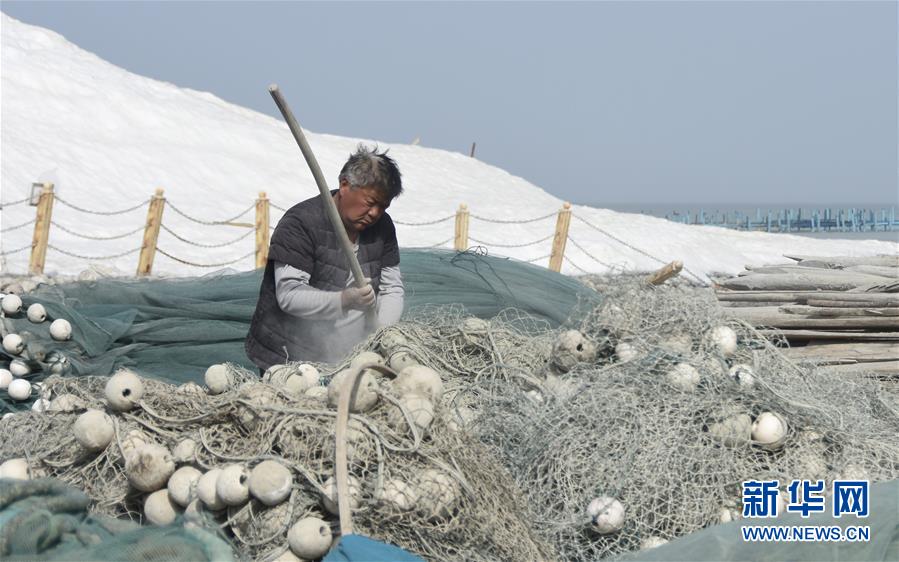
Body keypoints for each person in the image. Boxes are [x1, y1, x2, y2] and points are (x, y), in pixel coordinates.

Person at [245, 145, 405, 371]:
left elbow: (392, 288)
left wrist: (382, 335)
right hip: (287, 357)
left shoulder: (383, 227)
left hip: (351, 357)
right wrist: (344, 300)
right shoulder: (300, 223)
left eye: (383, 206)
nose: (375, 214)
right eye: (370, 203)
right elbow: (289, 295)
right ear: (345, 185)